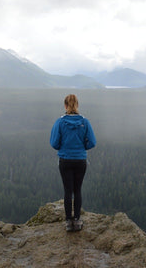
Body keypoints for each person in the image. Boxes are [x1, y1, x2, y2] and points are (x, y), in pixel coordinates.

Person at [50, 94, 96, 232]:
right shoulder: (85, 122)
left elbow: (54, 143)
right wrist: (82, 148)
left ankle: (68, 222)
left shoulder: (60, 122)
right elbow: (92, 142)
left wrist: (64, 148)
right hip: (80, 160)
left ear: (65, 106)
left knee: (67, 191)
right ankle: (77, 220)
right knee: (77, 190)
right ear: (77, 105)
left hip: (65, 160)